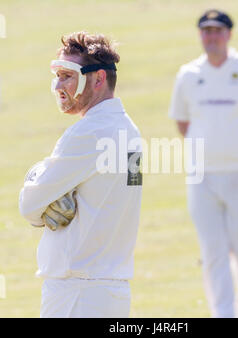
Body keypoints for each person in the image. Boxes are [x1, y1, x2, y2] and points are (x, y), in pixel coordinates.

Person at [19, 32, 143, 318]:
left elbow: (29, 206)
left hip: (77, 292)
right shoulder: (129, 130)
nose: (58, 86)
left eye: (67, 76)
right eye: (57, 75)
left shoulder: (90, 131)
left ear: (98, 79)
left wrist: (36, 177)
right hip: (109, 292)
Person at [169, 9, 238, 318]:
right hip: (203, 176)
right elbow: (182, 122)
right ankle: (223, 313)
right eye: (206, 31)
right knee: (213, 251)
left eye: (217, 31)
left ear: (229, 34)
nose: (211, 37)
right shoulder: (188, 74)